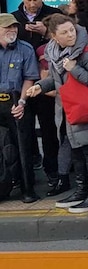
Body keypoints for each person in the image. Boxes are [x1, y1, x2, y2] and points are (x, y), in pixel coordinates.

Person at [26, 15, 88, 213]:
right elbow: (56, 79)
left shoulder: (86, 52)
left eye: (71, 30)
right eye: (64, 32)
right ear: (54, 37)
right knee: (77, 153)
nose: (70, 34)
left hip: (87, 110)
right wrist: (40, 86)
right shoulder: (54, 52)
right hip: (68, 110)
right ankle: (81, 192)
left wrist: (75, 69)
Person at [12, 0, 61, 196]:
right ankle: (28, 168)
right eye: (28, 0)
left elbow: (66, 39)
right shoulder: (13, 18)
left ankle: (54, 171)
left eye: (36, 0)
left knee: (50, 128)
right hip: (21, 82)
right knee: (24, 129)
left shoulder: (53, 14)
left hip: (46, 80)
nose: (32, 4)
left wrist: (45, 32)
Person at [0, 14, 39, 203]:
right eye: (7, 28)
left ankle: (27, 189)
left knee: (23, 147)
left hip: (15, 100)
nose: (12, 31)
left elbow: (29, 77)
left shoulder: (25, 49)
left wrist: (22, 102)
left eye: (14, 27)